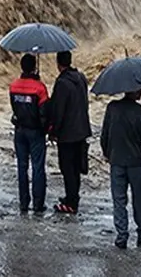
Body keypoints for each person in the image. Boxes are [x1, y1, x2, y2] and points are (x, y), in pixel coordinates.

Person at [101, 89, 141, 248]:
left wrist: (107, 153)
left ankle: (122, 235)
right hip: (136, 162)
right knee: (139, 199)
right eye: (139, 89)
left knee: (119, 200)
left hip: (116, 160)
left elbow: (105, 135)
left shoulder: (112, 108)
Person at [50, 50, 91, 214]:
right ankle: (73, 197)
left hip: (67, 133)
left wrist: (53, 131)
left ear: (58, 64)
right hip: (81, 129)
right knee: (76, 167)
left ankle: (71, 204)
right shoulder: (81, 77)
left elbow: (58, 110)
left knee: (67, 168)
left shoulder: (61, 83)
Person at [8, 54, 50, 213]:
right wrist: (46, 130)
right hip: (36, 132)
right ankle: (38, 204)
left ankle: (23, 203)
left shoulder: (13, 86)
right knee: (38, 167)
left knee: (22, 167)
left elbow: (14, 107)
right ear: (34, 67)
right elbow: (45, 112)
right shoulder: (40, 88)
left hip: (19, 131)